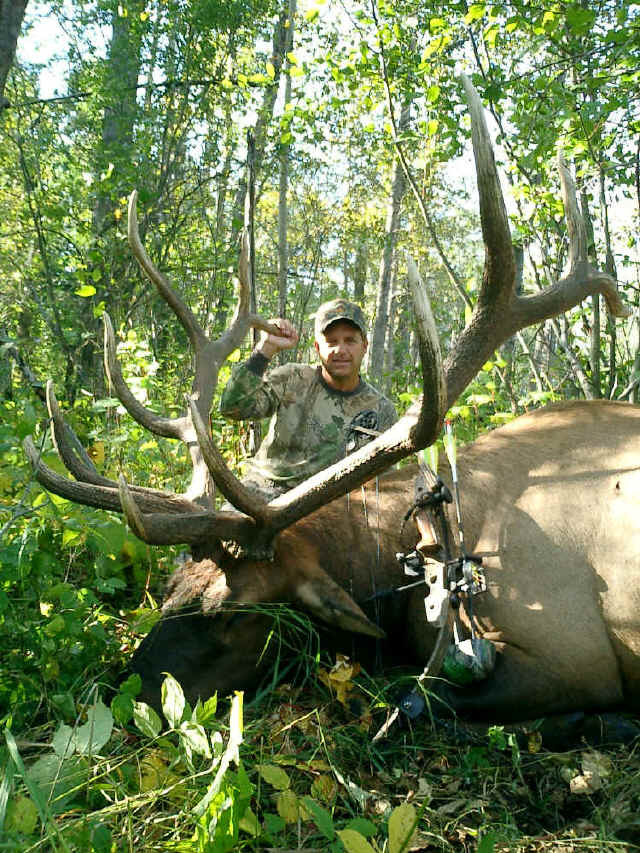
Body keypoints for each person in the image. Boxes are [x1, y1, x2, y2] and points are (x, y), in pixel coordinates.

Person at [219, 298, 398, 499]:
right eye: (331, 342)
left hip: (333, 508)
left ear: (364, 346)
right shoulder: (293, 378)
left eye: (350, 340)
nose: (340, 350)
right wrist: (266, 348)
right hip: (265, 491)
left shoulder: (382, 411)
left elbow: (384, 486)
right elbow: (233, 407)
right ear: (317, 347)